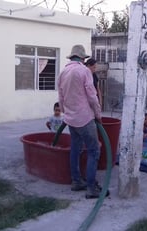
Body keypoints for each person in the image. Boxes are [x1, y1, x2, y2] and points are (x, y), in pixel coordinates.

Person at [58, 44, 109, 199]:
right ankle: (92, 188)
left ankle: (76, 181)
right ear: (82, 58)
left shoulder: (63, 72)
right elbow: (92, 96)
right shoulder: (84, 71)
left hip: (71, 119)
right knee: (94, 151)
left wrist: (65, 113)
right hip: (85, 118)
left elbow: (60, 97)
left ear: (71, 57)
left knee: (75, 148)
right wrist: (98, 114)